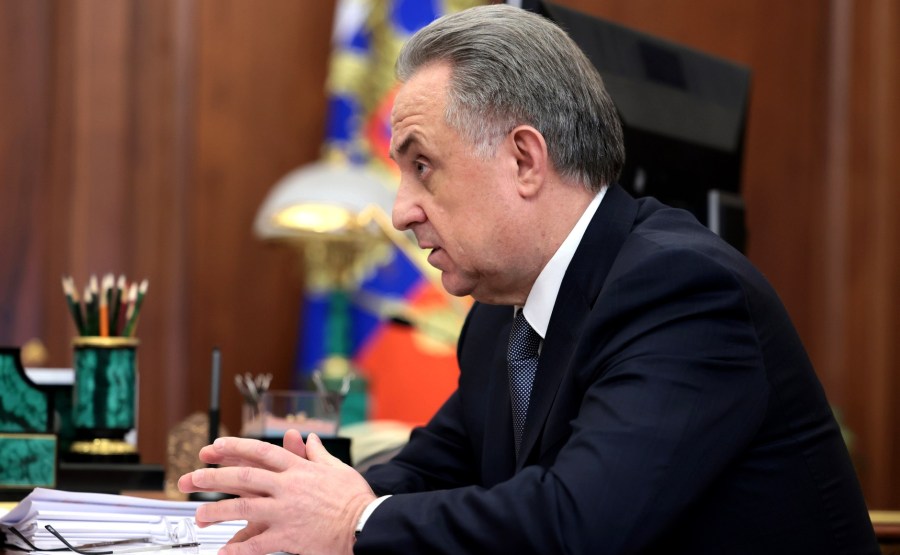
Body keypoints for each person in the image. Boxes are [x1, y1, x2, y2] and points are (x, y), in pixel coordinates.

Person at [179, 5, 880, 554]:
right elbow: (431, 469)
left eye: (422, 166)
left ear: (523, 159)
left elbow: (578, 524)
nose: (400, 212)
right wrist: (290, 502)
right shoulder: (501, 314)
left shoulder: (683, 291)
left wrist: (355, 521)